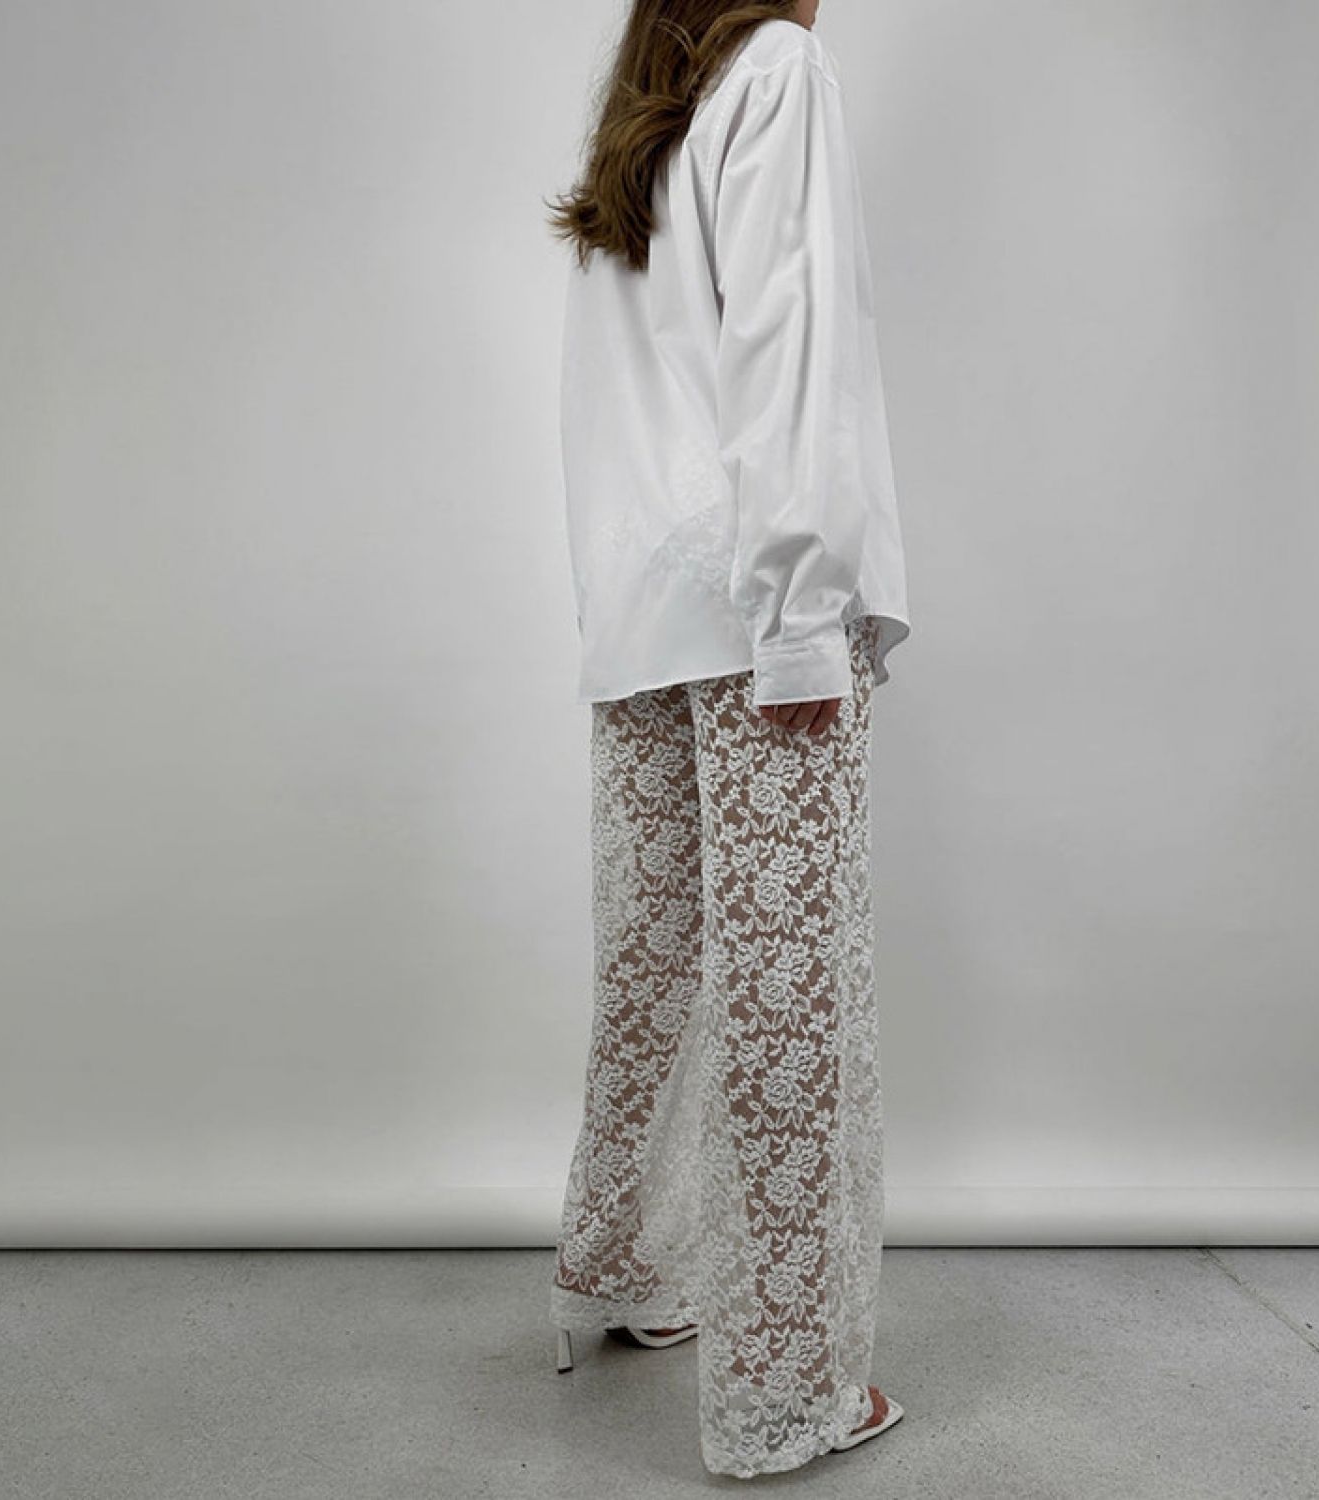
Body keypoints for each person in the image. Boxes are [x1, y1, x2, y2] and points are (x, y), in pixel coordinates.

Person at [542, 0, 910, 1478]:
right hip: (761, 603)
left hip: (642, 598)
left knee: (655, 952)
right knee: (784, 989)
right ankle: (785, 1392)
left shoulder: (648, 102)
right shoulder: (782, 71)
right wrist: (804, 615)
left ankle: (618, 1259)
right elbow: (785, 343)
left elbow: (606, 396)